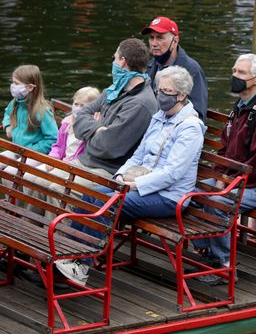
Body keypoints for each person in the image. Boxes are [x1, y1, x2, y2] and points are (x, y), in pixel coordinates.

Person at [55, 66, 206, 285]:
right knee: (91, 195)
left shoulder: (190, 128)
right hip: (138, 184)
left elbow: (172, 173)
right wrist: (120, 175)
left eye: (167, 91)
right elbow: (139, 155)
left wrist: (134, 185)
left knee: (109, 201)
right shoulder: (159, 117)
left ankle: (81, 265)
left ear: (181, 95)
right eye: (159, 90)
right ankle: (68, 254)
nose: (161, 96)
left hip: (169, 197)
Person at [192, 53, 256, 285]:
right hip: (234, 178)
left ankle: (223, 265)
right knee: (191, 194)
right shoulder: (240, 108)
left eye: (241, 73)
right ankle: (207, 250)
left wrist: (227, 181)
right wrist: (219, 175)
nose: (234, 76)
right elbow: (225, 147)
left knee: (220, 203)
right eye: (234, 71)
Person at [72, 38, 158, 179]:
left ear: (122, 61)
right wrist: (98, 129)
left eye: (115, 58)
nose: (113, 63)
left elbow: (107, 147)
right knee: (35, 179)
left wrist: (89, 134)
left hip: (106, 171)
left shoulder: (141, 104)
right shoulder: (113, 90)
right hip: (84, 161)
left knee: (55, 188)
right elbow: (80, 116)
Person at [21, 86, 100, 218]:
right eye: (76, 104)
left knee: (47, 184)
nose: (78, 108)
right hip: (60, 162)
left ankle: (46, 218)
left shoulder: (93, 129)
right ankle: (31, 215)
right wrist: (53, 158)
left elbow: (85, 156)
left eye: (83, 105)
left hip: (73, 167)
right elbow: (57, 146)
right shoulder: (67, 123)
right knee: (30, 177)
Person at [141, 16, 208, 120]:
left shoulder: (192, 70)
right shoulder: (149, 66)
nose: (154, 44)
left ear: (175, 41)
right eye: (151, 37)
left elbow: (198, 115)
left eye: (160, 38)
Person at [2, 65, 58, 155]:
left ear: (30, 87)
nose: (12, 86)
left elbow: (53, 139)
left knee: (11, 169)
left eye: (16, 83)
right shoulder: (16, 102)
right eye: (12, 82)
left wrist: (31, 150)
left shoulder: (43, 111)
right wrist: (8, 125)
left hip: (34, 154)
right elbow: (8, 114)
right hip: (17, 149)